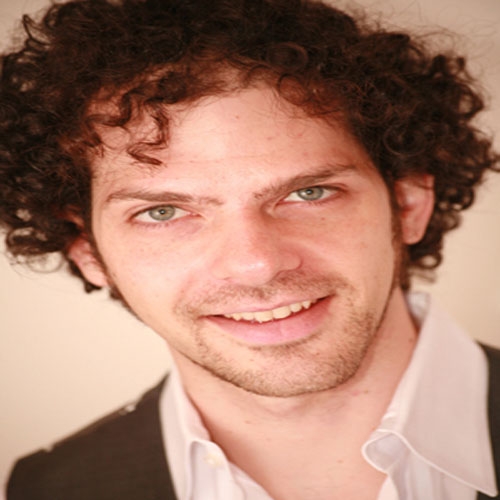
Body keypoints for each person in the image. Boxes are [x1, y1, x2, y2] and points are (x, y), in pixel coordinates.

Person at [1, 0, 499, 498]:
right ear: (87, 251)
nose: (255, 264)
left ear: (408, 204)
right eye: (163, 212)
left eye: (309, 193)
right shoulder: (46, 490)